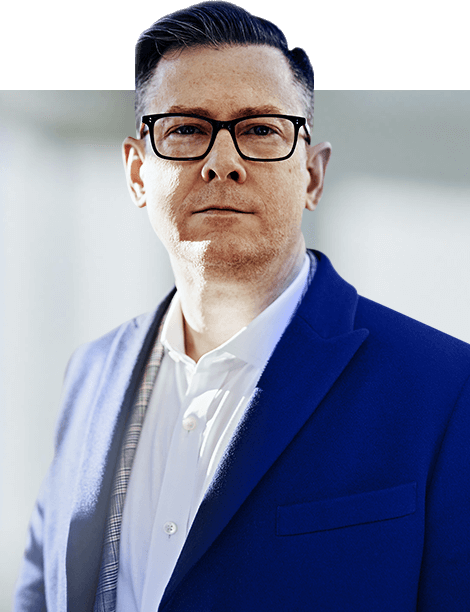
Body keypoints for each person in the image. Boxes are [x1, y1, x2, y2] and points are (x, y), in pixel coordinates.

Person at [13, 2, 470, 611]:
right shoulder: (90, 374)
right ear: (137, 173)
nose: (221, 162)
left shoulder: (446, 389)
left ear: (312, 175)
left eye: (259, 130)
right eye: (185, 129)